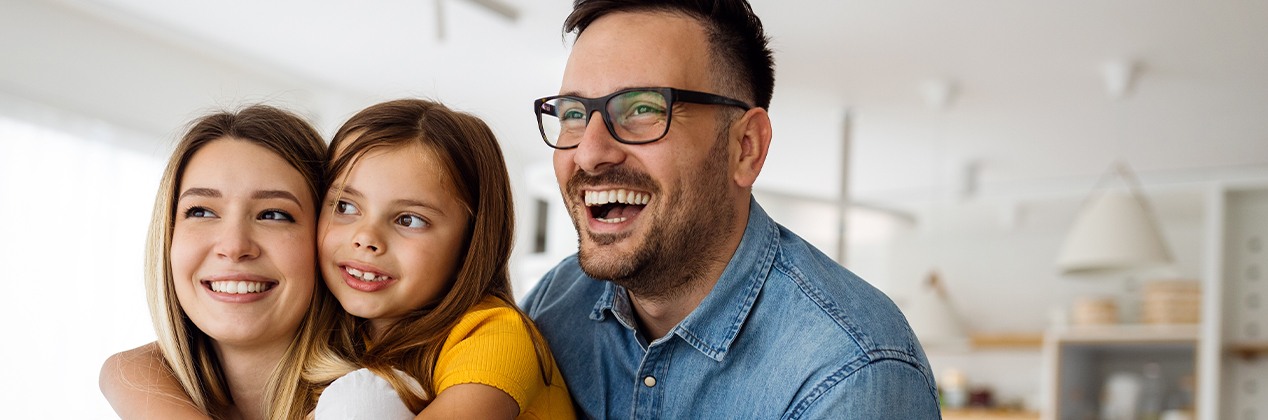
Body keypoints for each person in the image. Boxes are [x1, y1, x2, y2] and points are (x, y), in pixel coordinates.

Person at [521, 1, 941, 418]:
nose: (590, 153)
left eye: (643, 108)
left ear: (745, 148)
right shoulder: (554, 303)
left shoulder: (852, 373)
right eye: (573, 114)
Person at [308, 99, 575, 419]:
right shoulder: (338, 336)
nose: (366, 238)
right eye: (345, 206)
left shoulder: (496, 335)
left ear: (471, 240)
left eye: (408, 220)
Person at [99, 105, 338, 419]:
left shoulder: (385, 398)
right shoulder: (138, 379)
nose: (234, 246)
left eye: (274, 214)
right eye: (201, 212)